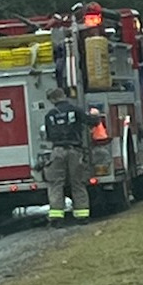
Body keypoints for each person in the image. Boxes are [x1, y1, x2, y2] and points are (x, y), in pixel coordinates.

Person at [41, 88, 103, 225]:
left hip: (57, 151)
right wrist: (96, 115)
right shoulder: (75, 110)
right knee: (77, 183)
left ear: (52, 100)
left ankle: (57, 218)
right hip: (75, 150)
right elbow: (92, 122)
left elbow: (49, 135)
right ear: (63, 96)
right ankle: (82, 216)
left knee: (56, 184)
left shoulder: (49, 115)